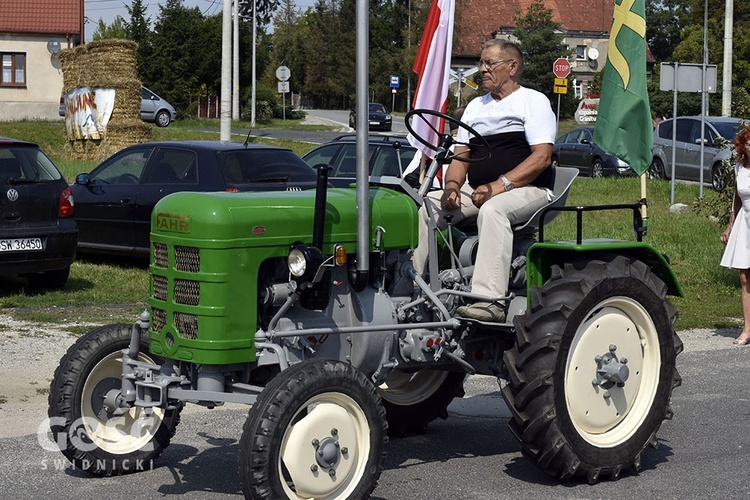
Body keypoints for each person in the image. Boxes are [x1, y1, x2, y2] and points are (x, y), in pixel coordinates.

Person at [412, 39, 556, 322]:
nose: (482, 69)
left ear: (512, 67)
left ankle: (489, 301)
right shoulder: (476, 107)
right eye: (481, 63)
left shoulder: (533, 101)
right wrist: (452, 187)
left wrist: (498, 186)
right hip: (481, 189)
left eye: (490, 63)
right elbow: (460, 156)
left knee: (494, 210)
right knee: (427, 205)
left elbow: (542, 158)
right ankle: (414, 286)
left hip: (530, 188)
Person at [720, 126, 750, 345]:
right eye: (748, 143)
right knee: (744, 277)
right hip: (745, 222)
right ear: (743, 147)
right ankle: (747, 329)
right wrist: (730, 227)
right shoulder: (739, 168)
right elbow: (737, 200)